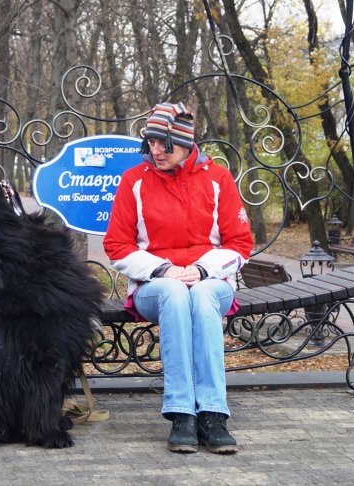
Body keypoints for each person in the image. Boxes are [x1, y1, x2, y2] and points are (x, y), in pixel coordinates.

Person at [103, 102, 254, 454]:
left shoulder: (218, 179)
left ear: (184, 143)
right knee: (174, 292)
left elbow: (240, 243)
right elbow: (117, 245)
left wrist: (202, 270)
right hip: (153, 286)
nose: (155, 151)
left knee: (200, 296)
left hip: (210, 282)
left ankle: (214, 413)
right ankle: (182, 413)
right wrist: (163, 269)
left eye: (163, 143)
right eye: (150, 143)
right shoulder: (134, 181)